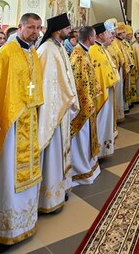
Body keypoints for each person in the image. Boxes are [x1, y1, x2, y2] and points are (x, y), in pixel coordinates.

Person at [0, 12, 44, 245]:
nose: (35, 32)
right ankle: (2, 227)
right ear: (20, 27)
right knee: (7, 170)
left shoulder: (33, 52)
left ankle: (25, 221)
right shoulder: (6, 53)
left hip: (29, 118)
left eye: (38, 28)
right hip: (9, 121)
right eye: (31, 27)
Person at [36, 13, 80, 213]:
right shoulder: (46, 50)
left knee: (61, 149)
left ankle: (61, 188)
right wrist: (62, 101)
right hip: (52, 110)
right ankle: (49, 197)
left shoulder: (59, 47)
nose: (69, 31)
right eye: (67, 28)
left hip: (61, 106)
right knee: (52, 152)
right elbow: (45, 82)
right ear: (58, 30)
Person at [68, 26, 103, 186]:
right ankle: (80, 170)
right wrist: (87, 102)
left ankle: (88, 165)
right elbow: (79, 82)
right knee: (82, 137)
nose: (95, 38)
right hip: (83, 105)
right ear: (90, 38)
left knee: (87, 137)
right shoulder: (79, 55)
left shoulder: (84, 52)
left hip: (88, 101)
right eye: (95, 36)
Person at [90, 22, 118, 158]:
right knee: (101, 121)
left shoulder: (102, 48)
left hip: (108, 89)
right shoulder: (93, 50)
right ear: (101, 35)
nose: (110, 36)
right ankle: (99, 150)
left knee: (106, 121)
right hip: (101, 92)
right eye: (108, 33)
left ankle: (104, 149)